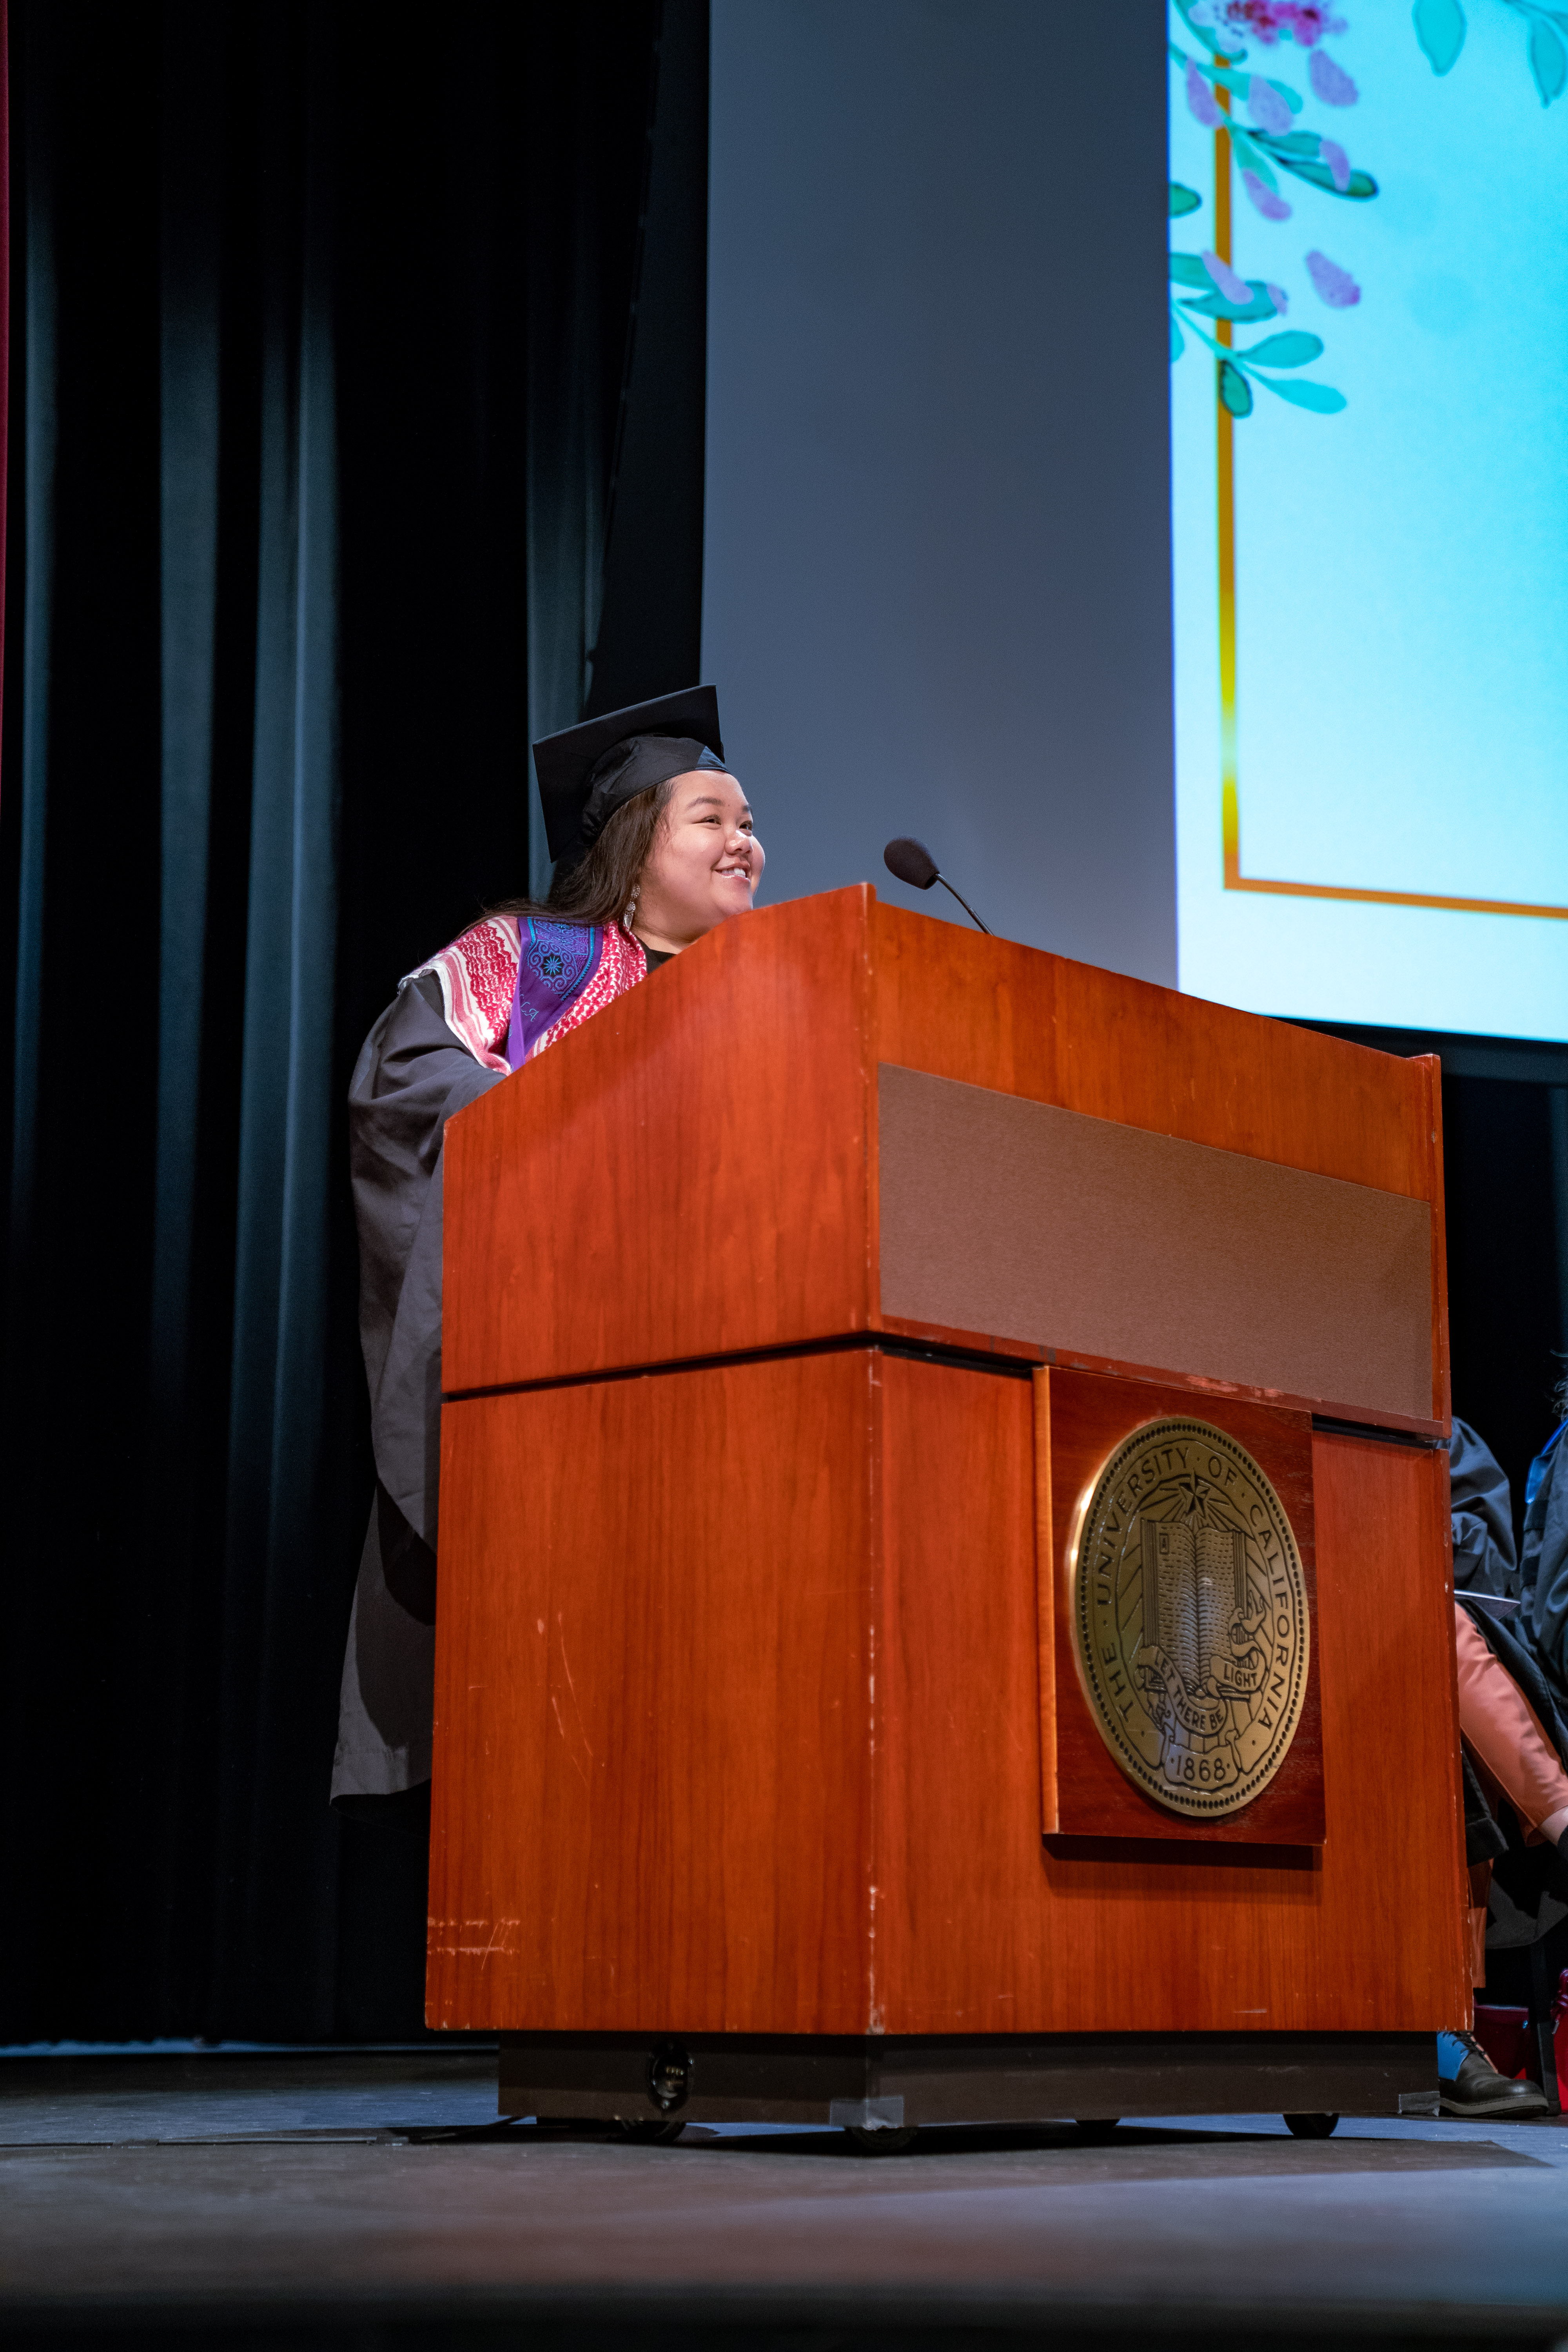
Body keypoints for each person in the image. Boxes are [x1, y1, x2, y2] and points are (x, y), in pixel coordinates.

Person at [330, 687, 764, 1806]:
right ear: (634, 845)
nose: (745, 842)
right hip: (558, 1383)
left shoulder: (776, 998)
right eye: (711, 818)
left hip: (734, 1395)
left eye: (750, 823)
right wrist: (570, 1126)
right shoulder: (539, 962)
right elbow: (403, 1087)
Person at [1440, 1413, 1568, 2116]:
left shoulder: (1434, 1430)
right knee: (1441, 1634)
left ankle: (1445, 2023)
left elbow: (1488, 1565)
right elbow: (1556, 1616)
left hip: (1430, 1667)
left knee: (1444, 1730)